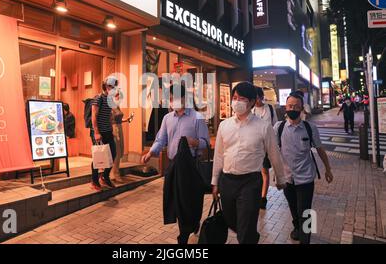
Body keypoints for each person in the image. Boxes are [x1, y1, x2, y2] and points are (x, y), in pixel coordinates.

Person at [212, 82, 287, 244]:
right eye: (234, 98)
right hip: (227, 181)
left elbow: (274, 154)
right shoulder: (224, 125)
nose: (236, 102)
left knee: (245, 227)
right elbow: (218, 156)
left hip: (250, 183)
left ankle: (247, 237)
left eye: (242, 98)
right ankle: (250, 236)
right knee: (231, 220)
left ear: (252, 101)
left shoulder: (263, 127)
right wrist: (215, 181)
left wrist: (281, 179)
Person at [141, 83, 210, 244]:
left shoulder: (197, 117)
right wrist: (150, 153)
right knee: (175, 200)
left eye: (176, 98)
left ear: (185, 98)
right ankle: (185, 230)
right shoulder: (167, 118)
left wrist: (195, 142)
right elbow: (161, 139)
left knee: (190, 201)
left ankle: (188, 229)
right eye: (171, 98)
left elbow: (206, 143)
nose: (173, 101)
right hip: (173, 166)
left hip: (191, 167)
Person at [274, 92, 334, 244]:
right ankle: (297, 228)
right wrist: (276, 175)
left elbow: (320, 149)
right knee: (293, 208)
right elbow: (273, 151)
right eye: (289, 106)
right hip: (287, 177)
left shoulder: (309, 127)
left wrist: (328, 169)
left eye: (296, 106)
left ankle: (306, 238)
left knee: (306, 211)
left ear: (301, 109)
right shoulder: (278, 128)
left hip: (306, 177)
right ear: (285, 107)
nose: (292, 108)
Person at [252, 87, 278, 210]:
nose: (257, 100)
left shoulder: (270, 109)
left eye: (258, 97)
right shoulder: (251, 110)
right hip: (253, 146)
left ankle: (263, 197)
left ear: (262, 96)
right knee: (254, 172)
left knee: (264, 172)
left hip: (266, 146)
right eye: (255, 98)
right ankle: (255, 195)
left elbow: (275, 126)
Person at [90, 77, 118, 191]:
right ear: (106, 86)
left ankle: (105, 177)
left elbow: (110, 115)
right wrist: (96, 132)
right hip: (99, 132)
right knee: (98, 156)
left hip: (108, 132)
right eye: (112, 86)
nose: (114, 88)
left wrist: (112, 128)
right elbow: (94, 115)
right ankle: (94, 181)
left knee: (113, 154)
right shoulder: (98, 98)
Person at [111, 91, 134, 181]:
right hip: (114, 128)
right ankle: (114, 173)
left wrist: (127, 119)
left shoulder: (117, 106)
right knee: (116, 151)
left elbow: (119, 119)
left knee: (120, 150)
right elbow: (110, 119)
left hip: (119, 127)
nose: (119, 98)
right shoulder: (110, 106)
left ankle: (115, 171)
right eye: (117, 96)